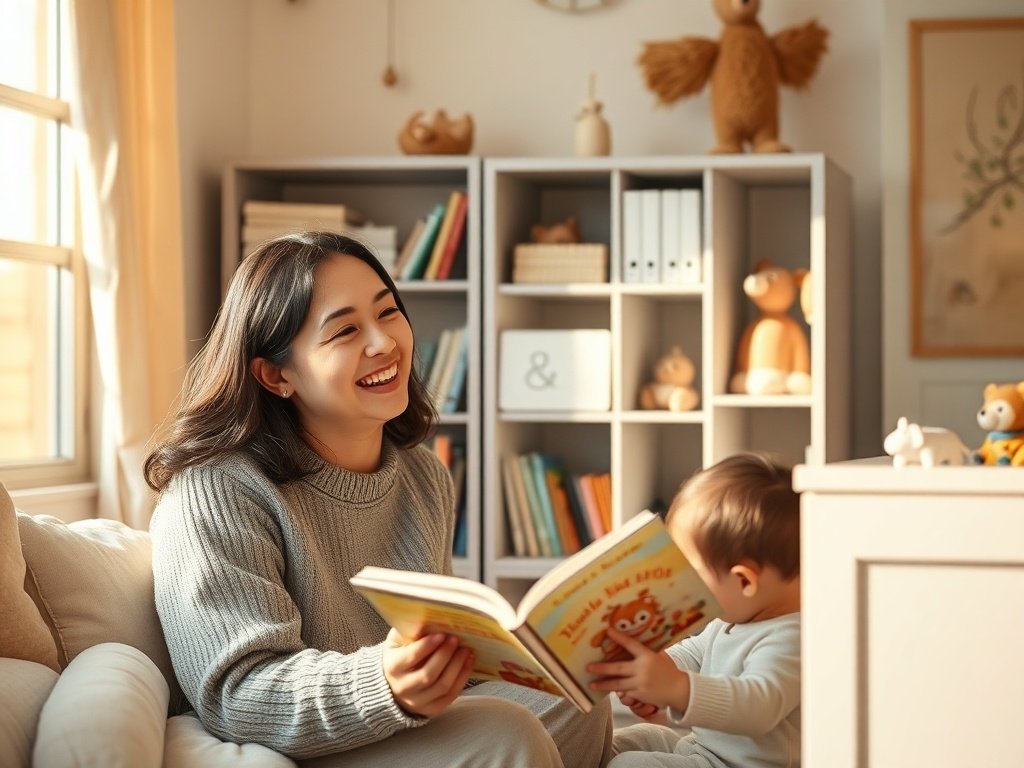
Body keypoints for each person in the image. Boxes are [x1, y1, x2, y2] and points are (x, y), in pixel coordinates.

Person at [144, 232, 612, 768]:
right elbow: (238, 691)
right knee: (506, 732)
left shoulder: (423, 476)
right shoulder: (215, 490)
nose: (383, 342)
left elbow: (440, 651)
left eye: (388, 312)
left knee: (578, 691)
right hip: (299, 746)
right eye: (345, 330)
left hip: (399, 727)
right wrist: (385, 683)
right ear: (276, 375)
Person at [588, 453, 801, 768]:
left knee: (628, 765)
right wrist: (655, 671)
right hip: (705, 750)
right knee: (632, 740)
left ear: (744, 581)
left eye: (691, 573)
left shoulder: (792, 638)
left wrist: (675, 688)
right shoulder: (736, 617)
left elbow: (757, 705)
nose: (681, 584)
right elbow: (696, 652)